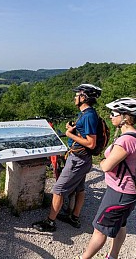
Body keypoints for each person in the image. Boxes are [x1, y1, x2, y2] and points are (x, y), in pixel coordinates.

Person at [77, 97, 136, 259]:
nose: (110, 116)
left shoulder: (126, 141)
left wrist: (102, 160)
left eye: (113, 113)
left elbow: (106, 166)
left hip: (119, 193)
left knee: (99, 229)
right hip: (129, 191)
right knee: (120, 223)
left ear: (124, 116)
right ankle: (113, 256)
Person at [32, 83, 101, 232]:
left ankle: (50, 222)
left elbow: (91, 143)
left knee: (58, 189)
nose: (74, 97)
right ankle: (74, 217)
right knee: (79, 187)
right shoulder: (87, 113)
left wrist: (69, 134)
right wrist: (73, 128)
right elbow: (84, 132)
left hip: (78, 159)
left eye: (77, 95)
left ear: (84, 97)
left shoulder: (88, 116)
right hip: (83, 159)